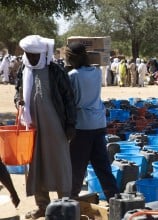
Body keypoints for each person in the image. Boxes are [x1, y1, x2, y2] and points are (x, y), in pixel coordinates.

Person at [14, 35, 76, 219]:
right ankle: (43, 206)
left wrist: (71, 124)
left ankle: (65, 205)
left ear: (43, 54)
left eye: (35, 55)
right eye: (28, 54)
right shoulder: (23, 70)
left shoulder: (56, 70)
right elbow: (18, 90)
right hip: (31, 126)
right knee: (36, 164)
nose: (31, 58)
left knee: (59, 163)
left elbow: (69, 99)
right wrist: (18, 101)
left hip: (55, 126)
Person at [64, 42, 119, 202]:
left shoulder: (73, 75)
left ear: (72, 58)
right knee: (102, 166)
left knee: (77, 167)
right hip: (98, 123)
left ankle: (71, 200)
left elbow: (71, 100)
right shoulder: (96, 72)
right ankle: (115, 199)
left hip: (82, 126)